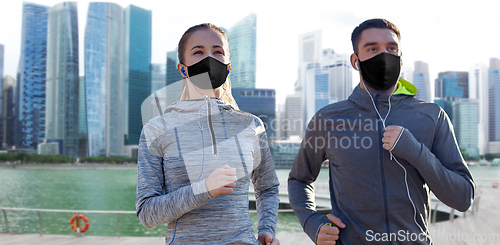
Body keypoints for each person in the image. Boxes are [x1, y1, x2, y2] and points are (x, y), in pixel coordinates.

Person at [288, 18, 475, 245]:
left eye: (391, 48)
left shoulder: (431, 116)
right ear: (355, 61)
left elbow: (463, 198)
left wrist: (416, 152)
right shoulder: (328, 119)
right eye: (372, 49)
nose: (384, 55)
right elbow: (299, 179)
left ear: (400, 57)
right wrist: (311, 222)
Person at [136, 23, 280, 245]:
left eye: (217, 51)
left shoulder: (252, 125)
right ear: (183, 69)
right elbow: (146, 213)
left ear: (228, 66)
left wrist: (267, 228)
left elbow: (267, 187)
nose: (210, 58)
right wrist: (203, 189)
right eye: (198, 52)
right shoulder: (157, 129)